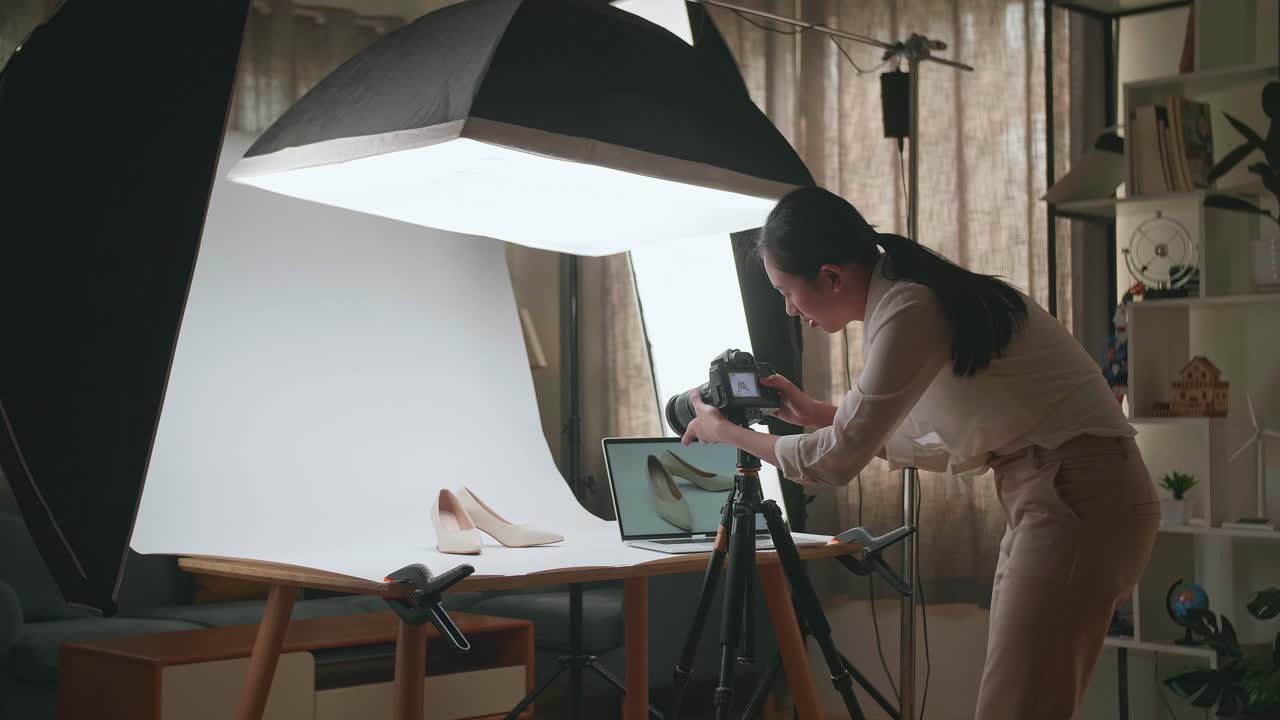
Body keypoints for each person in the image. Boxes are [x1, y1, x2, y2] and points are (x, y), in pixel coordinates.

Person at [679, 186, 1160, 719]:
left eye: (787, 292)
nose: (790, 310)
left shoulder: (910, 307)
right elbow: (916, 435)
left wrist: (729, 436)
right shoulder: (910, 296)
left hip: (1075, 497)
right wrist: (819, 413)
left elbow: (838, 460)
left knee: (1016, 708)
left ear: (832, 276)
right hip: (1063, 493)